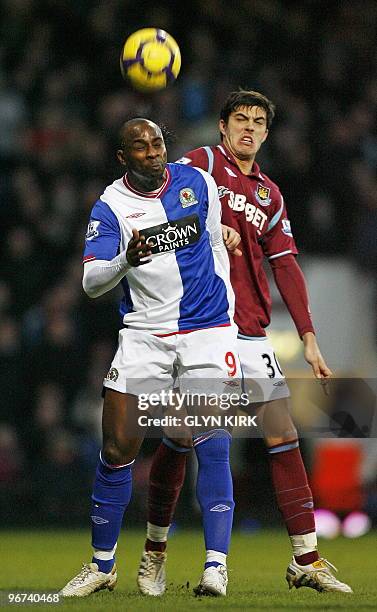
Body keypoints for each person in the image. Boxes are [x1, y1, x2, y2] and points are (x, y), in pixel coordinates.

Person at [137, 91, 353, 596]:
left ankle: (307, 557)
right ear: (222, 126)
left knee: (282, 435)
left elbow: (286, 266)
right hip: (201, 324)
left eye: (258, 121)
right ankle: (155, 549)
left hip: (252, 329)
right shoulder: (204, 163)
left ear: (267, 133)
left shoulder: (269, 195)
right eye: (240, 119)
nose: (249, 128)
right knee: (181, 436)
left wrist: (309, 337)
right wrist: (207, 228)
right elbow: (163, 197)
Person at [59, 118, 243, 597]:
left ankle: (215, 567)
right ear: (123, 158)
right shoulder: (111, 206)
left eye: (157, 142)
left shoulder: (198, 182)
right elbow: (92, 282)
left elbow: (216, 240)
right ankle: (103, 566)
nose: (152, 151)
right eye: (139, 146)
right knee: (118, 448)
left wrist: (227, 311)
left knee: (210, 438)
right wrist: (126, 260)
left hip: (207, 329)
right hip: (145, 334)